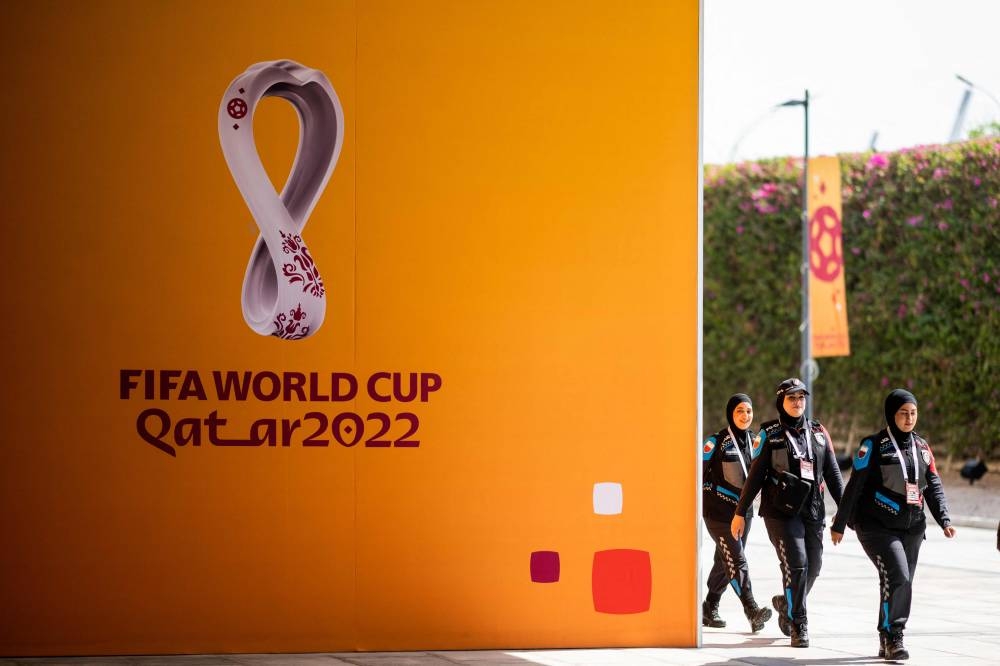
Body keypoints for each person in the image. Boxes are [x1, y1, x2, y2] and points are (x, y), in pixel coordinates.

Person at [831, 389, 956, 661]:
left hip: (912, 527)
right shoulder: (873, 445)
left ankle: (885, 637)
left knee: (899, 581)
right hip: (876, 526)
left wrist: (944, 518)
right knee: (898, 575)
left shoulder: (922, 447)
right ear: (891, 414)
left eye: (913, 413)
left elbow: (933, 485)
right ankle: (894, 636)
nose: (909, 418)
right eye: (903, 413)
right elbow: (854, 485)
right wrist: (839, 523)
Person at [731, 377, 844, 648]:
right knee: (796, 564)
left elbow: (833, 473)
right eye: (791, 398)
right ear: (781, 401)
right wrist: (740, 512)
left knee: (813, 567)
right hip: (779, 512)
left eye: (801, 398)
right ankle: (799, 625)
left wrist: (846, 511)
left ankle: (786, 603)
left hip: (813, 510)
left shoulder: (818, 432)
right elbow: (755, 477)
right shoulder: (768, 434)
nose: (797, 403)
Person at [701, 393, 772, 632]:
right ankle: (752, 610)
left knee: (726, 559)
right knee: (737, 558)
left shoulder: (756, 441)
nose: (745, 416)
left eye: (749, 411)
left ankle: (710, 606)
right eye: (740, 411)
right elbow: (697, 473)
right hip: (717, 513)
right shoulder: (716, 441)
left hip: (744, 514)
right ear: (731, 414)